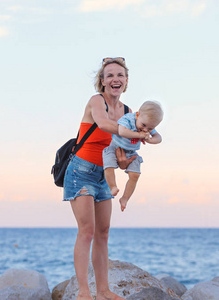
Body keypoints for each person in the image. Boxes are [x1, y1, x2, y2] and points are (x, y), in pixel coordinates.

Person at [63, 57, 134, 300]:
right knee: (87, 231)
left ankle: (103, 290)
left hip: (104, 174)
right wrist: (133, 131)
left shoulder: (127, 112)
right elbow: (103, 125)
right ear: (102, 81)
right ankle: (84, 291)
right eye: (110, 75)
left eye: (120, 75)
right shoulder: (96, 101)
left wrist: (125, 161)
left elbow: (122, 151)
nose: (116, 79)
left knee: (103, 232)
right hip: (80, 171)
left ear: (126, 81)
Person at [103, 101, 163, 212]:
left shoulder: (147, 124)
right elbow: (122, 131)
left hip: (131, 152)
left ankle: (124, 199)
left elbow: (159, 138)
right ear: (137, 115)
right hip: (115, 147)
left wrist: (150, 139)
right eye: (144, 125)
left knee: (135, 175)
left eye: (149, 129)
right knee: (108, 165)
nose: (145, 130)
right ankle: (112, 186)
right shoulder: (129, 118)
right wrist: (139, 135)